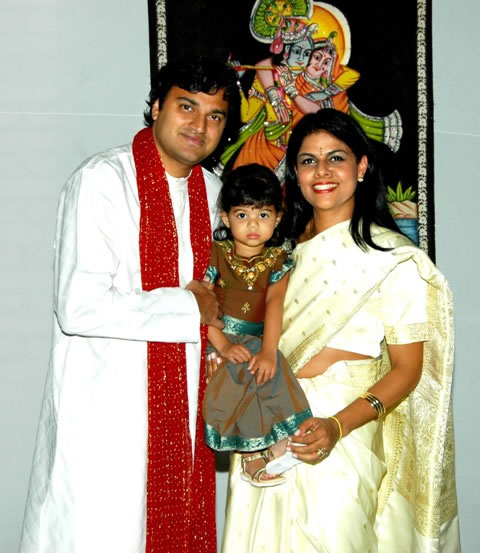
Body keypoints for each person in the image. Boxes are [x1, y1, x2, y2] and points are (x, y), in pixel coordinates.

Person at [19, 55, 239, 553]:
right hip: (107, 416)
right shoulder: (103, 181)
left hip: (185, 419)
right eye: (187, 106)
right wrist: (189, 308)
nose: (199, 125)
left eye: (215, 115)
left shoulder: (214, 194)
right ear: (157, 107)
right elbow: (80, 306)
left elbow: (226, 301)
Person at [221, 109, 459, 552]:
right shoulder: (276, 256)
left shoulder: (392, 258)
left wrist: (336, 426)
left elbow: (408, 370)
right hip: (266, 425)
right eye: (308, 161)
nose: (322, 172)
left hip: (339, 433)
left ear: (361, 167)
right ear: (294, 173)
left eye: (336, 158)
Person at [201, 164, 312, 487]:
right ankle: (251, 456)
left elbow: (275, 304)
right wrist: (222, 344)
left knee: (269, 367)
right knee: (240, 374)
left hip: (255, 339)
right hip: (217, 337)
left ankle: (283, 439)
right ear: (225, 218)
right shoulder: (215, 254)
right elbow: (201, 305)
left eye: (263, 215)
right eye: (242, 215)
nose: (253, 224)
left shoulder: (278, 261)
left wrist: (268, 350)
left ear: (277, 218)